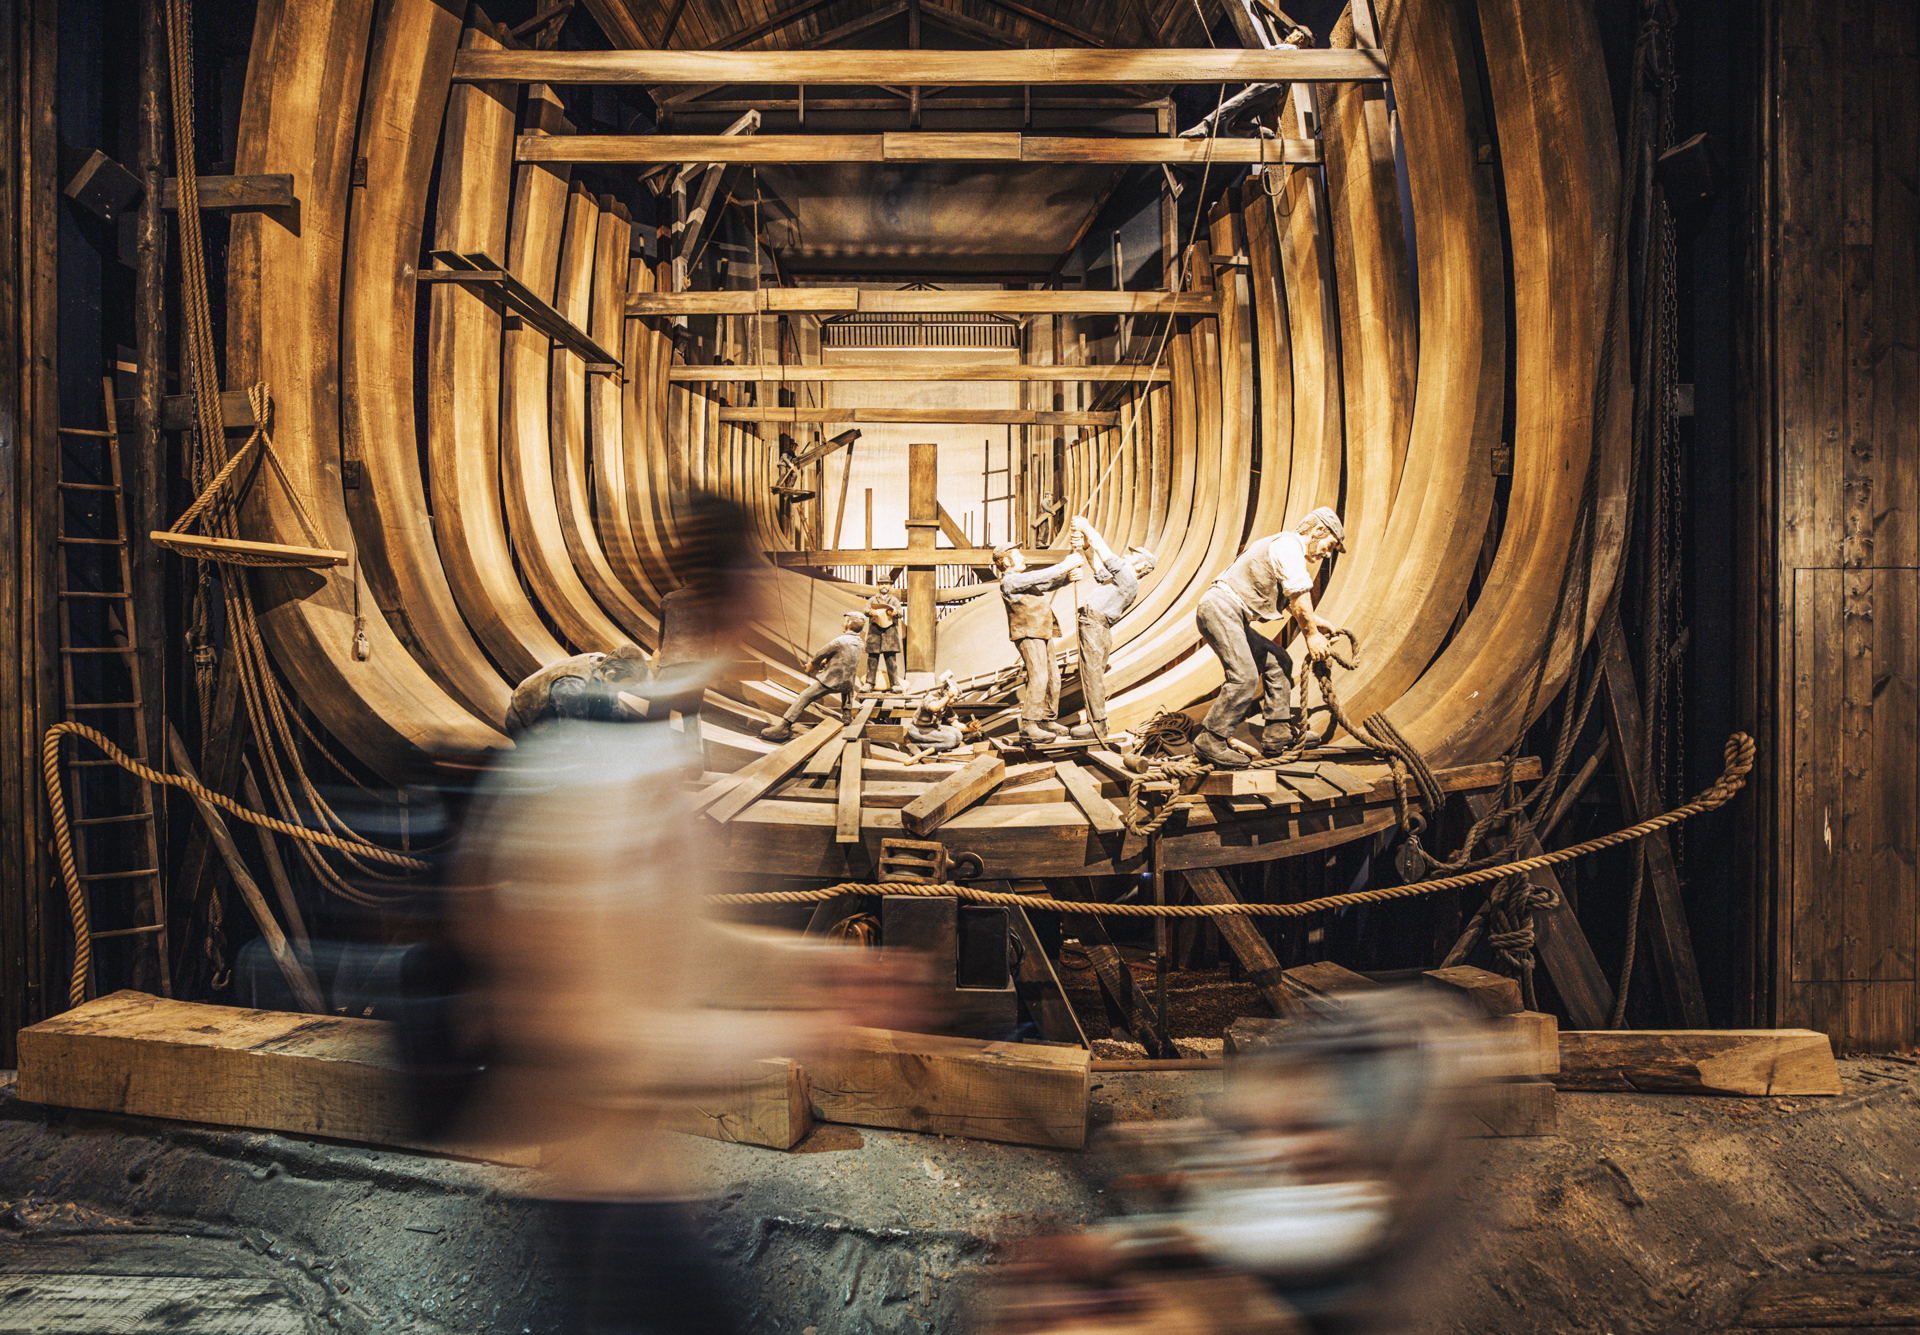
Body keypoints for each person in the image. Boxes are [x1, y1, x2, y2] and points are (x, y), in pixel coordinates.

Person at [1192, 507, 1345, 770]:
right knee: (1244, 677)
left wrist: (1316, 623)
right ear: (1317, 531)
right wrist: (1312, 636)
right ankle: (1211, 740)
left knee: (1279, 661)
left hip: (1228, 611)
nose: (1327, 553)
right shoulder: (1289, 547)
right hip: (1221, 609)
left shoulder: (1282, 546)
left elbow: (1285, 597)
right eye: (1329, 545)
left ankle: (1277, 733)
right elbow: (1299, 596)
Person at [1064, 516, 1156, 741]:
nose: (1126, 556)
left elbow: (1108, 558)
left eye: (1132, 555)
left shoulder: (1129, 580)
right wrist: (1085, 545)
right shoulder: (1120, 580)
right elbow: (1100, 569)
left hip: (1095, 627)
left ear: (1141, 564)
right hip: (1095, 627)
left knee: (1092, 674)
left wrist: (1089, 530)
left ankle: (1097, 725)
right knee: (1091, 673)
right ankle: (1096, 723)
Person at [992, 541, 1080, 746]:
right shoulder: (1009, 582)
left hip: (1041, 632)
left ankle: (1047, 719)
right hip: (1028, 634)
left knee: (1053, 678)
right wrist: (1063, 566)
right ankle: (1029, 725)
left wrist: (1067, 577)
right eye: (1018, 554)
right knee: (1039, 677)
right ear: (1005, 560)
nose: (1023, 557)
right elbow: (1038, 577)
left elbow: (1046, 583)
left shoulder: (1022, 581)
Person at [760, 612, 866, 742]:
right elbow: (845, 660)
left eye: (845, 621)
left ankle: (784, 726)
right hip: (847, 682)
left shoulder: (840, 641)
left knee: (805, 696)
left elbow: (820, 653)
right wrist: (827, 663)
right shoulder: (860, 643)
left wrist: (812, 665)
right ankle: (847, 716)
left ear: (849, 623)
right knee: (846, 690)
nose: (843, 624)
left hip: (832, 681)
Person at [504, 644, 651, 734]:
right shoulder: (573, 688)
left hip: (557, 708)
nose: (628, 689)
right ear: (612, 674)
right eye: (628, 685)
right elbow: (573, 739)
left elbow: (612, 711)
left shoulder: (603, 665)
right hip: (526, 721)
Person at [904, 670, 965, 752]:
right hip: (918, 730)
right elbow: (934, 707)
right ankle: (917, 746)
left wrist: (970, 728)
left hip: (933, 728)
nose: (956, 701)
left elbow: (955, 724)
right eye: (955, 698)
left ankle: (941, 745)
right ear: (946, 693)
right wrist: (948, 696)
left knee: (958, 736)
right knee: (950, 739)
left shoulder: (947, 705)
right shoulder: (931, 698)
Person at [863, 578, 904, 691]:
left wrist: (895, 613)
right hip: (875, 631)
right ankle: (869, 683)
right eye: (881, 584)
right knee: (872, 658)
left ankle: (894, 684)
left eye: (886, 584)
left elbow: (900, 613)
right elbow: (865, 610)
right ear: (878, 586)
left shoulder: (894, 600)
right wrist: (870, 612)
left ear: (890, 585)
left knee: (891, 659)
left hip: (889, 632)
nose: (884, 586)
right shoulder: (872, 599)